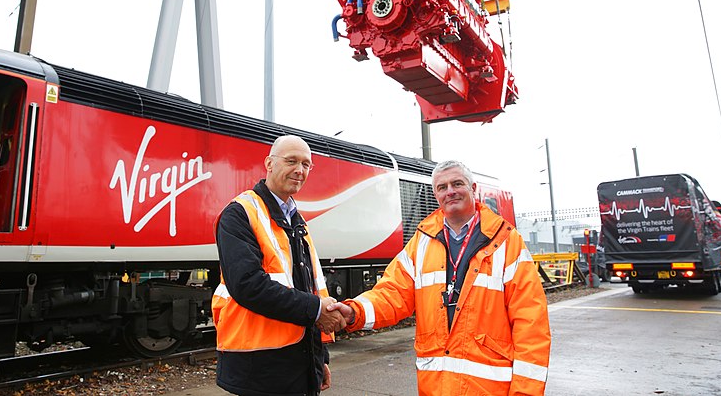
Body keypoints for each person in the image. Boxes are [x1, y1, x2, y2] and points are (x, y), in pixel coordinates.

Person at [328, 159, 551, 395]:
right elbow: (391, 293)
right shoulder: (421, 243)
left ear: (473, 189)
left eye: (457, 184)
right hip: (437, 388)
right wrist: (355, 312)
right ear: (436, 195)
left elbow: (531, 324)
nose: (450, 192)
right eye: (442, 187)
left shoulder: (507, 243)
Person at [212, 135, 345, 396]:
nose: (299, 170)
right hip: (260, 369)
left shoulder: (297, 221)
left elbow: (311, 288)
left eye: (306, 164)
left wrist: (320, 361)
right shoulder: (240, 213)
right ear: (269, 164)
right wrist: (317, 310)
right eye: (291, 161)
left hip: (298, 365)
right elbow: (247, 285)